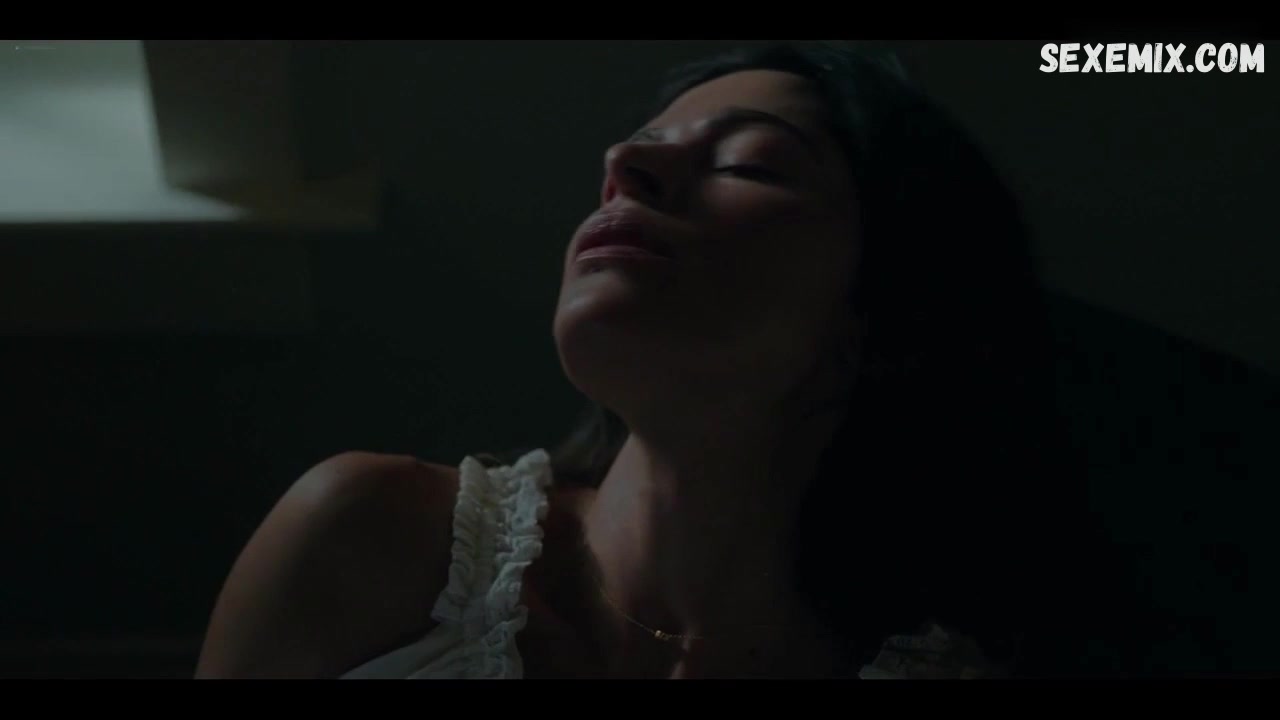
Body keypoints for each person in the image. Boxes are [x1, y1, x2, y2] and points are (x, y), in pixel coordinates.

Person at [194, 41, 1096, 679]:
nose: (623, 164)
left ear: (890, 303)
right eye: (638, 149)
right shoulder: (364, 539)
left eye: (748, 164)